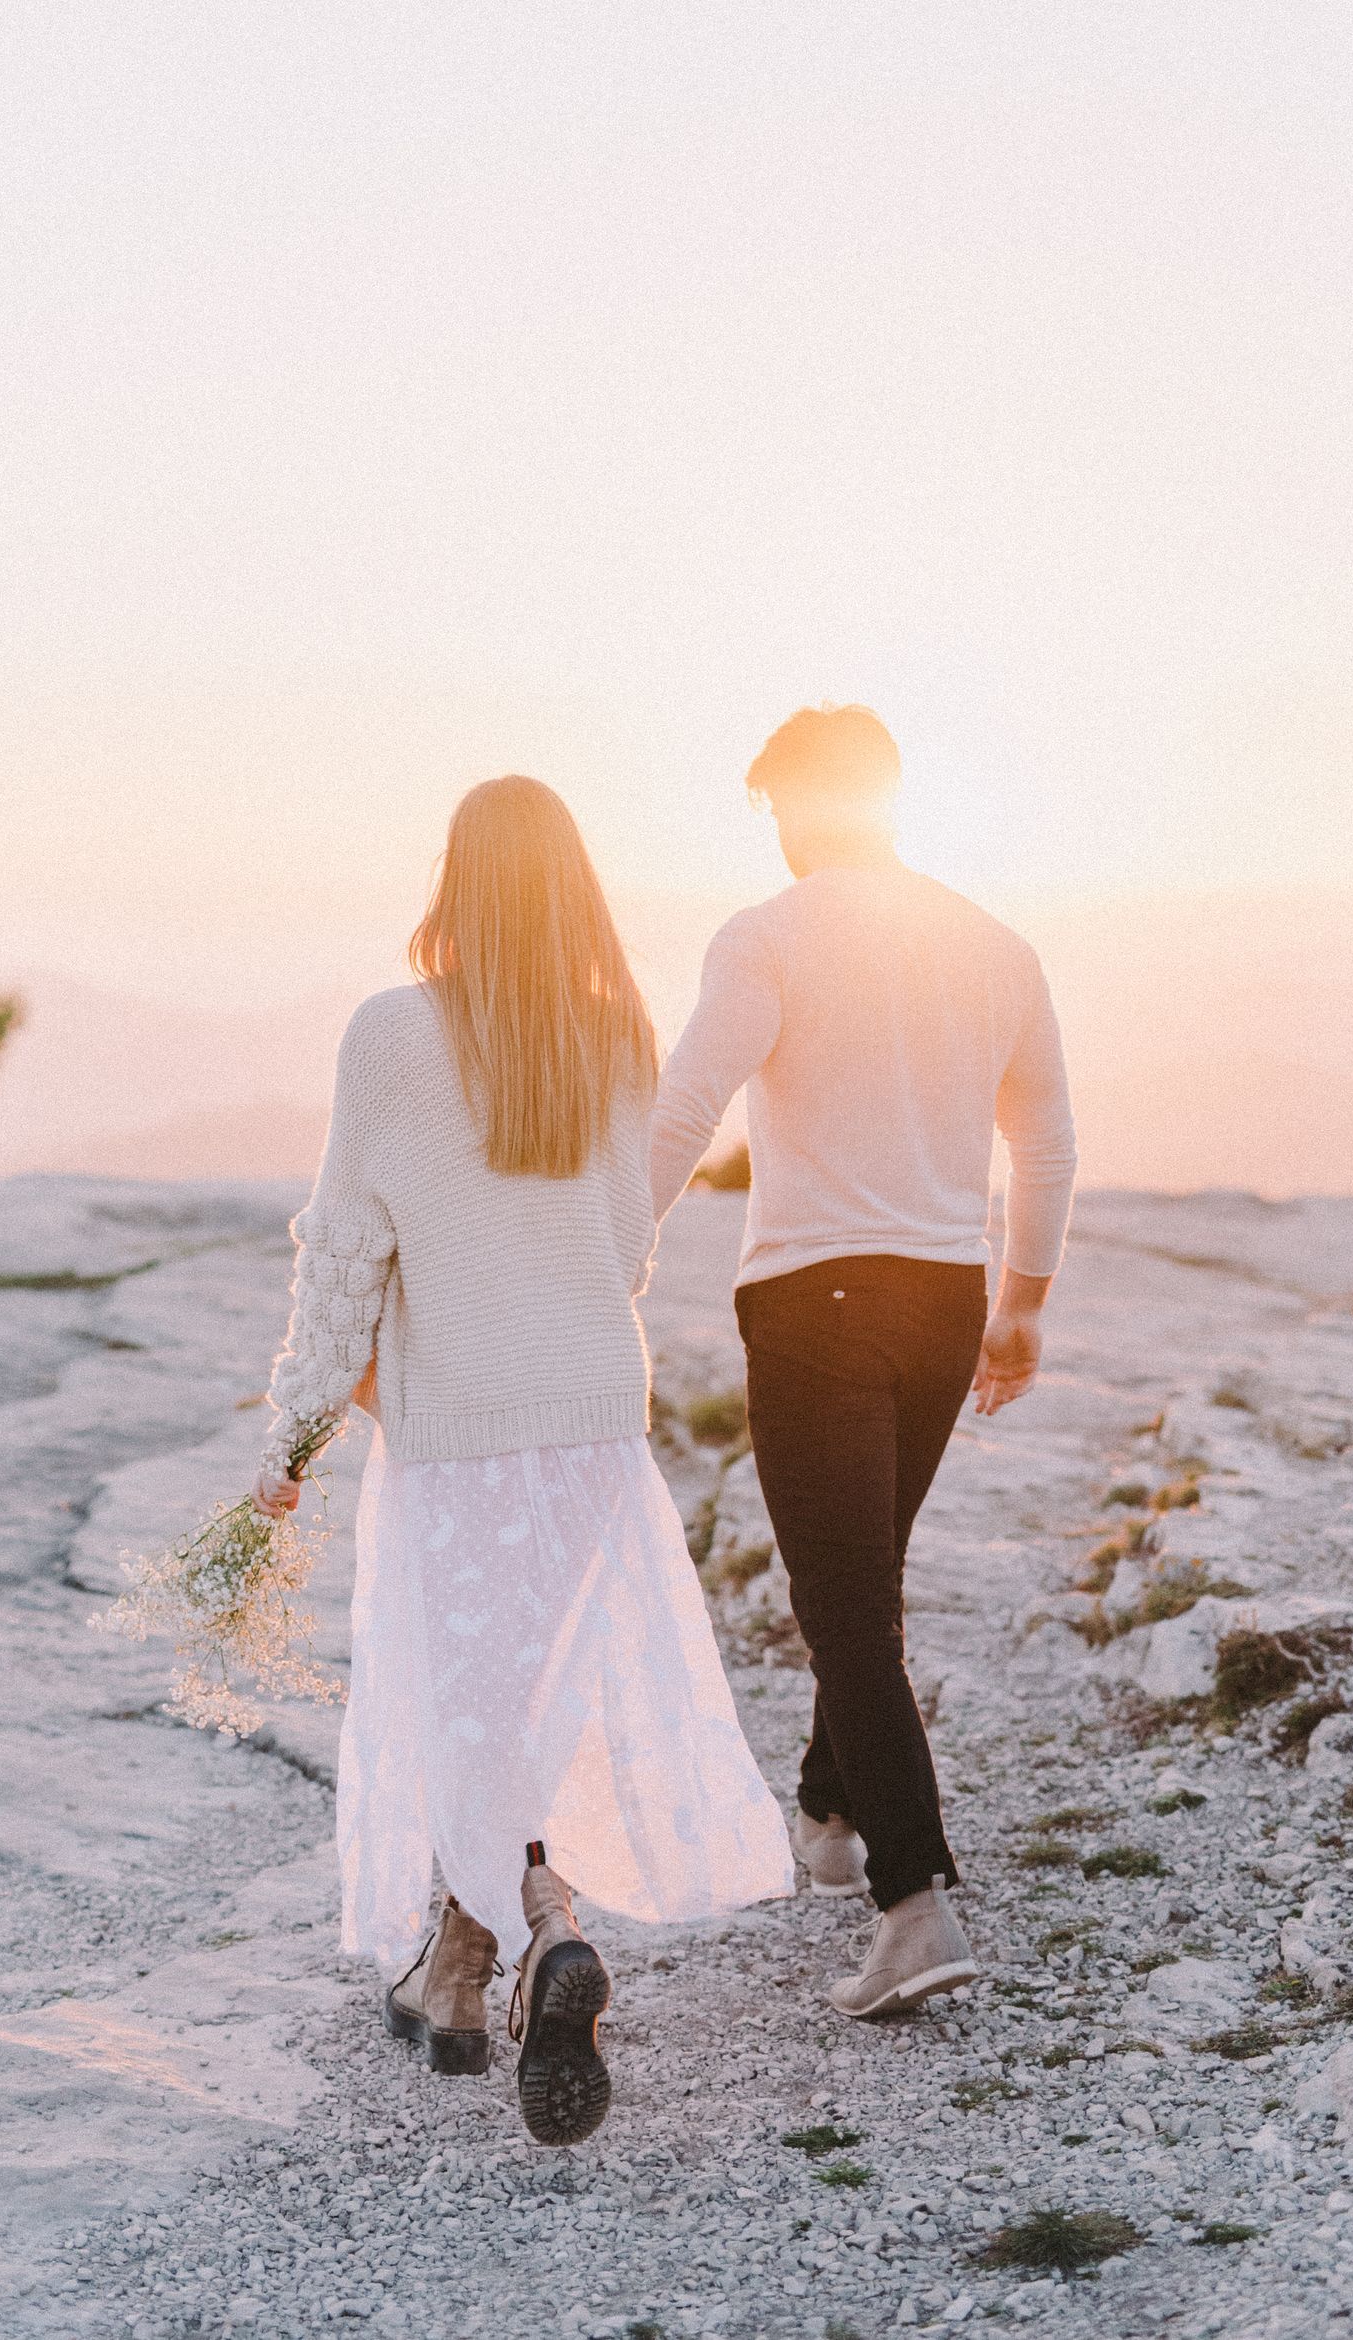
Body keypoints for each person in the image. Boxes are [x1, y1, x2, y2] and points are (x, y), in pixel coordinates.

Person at [255, 776, 791, 2144]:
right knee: (516, 1706)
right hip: (592, 1427)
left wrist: (292, 1441)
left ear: (456, 880)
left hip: (463, 1434)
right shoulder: (611, 1035)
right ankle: (454, 1980)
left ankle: (542, 1929)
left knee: (462, 1703)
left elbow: (344, 1254)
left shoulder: (391, 1035)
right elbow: (622, 1247)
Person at [650, 706, 1077, 2020]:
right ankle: (829, 1816)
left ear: (791, 805)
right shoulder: (994, 946)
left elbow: (685, 1105)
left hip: (815, 1304)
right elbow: (1047, 1140)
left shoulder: (766, 936)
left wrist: (607, 1256)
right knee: (865, 1581)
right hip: (945, 1302)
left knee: (845, 1609)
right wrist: (1019, 1306)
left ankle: (914, 1903)